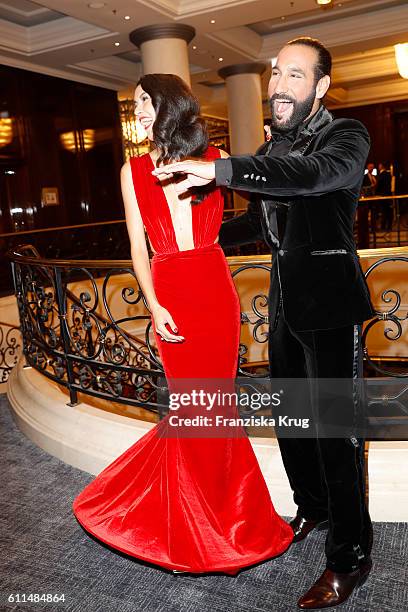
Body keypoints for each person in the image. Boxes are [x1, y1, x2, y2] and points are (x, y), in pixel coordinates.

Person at [153, 38, 375, 608]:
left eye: (295, 75)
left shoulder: (345, 137)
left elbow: (308, 176)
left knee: (336, 434)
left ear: (320, 88)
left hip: (330, 305)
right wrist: (191, 241)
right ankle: (315, 510)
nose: (278, 84)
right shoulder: (270, 145)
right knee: (294, 423)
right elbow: (257, 223)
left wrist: (223, 169)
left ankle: (350, 557)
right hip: (281, 307)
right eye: (276, 72)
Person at [72, 73, 293, 575]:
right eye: (134, 104)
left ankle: (229, 517)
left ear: (168, 103)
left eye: (146, 101)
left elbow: (267, 196)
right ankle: (196, 526)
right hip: (170, 288)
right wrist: (153, 304)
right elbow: (137, 246)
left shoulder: (213, 160)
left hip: (214, 289)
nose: (139, 111)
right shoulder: (133, 170)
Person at [376, 162, 393, 231]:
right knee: (389, 211)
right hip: (389, 194)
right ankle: (389, 226)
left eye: (379, 165)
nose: (378, 167)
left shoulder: (381, 175)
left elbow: (379, 185)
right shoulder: (389, 174)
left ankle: (383, 226)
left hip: (382, 195)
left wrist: (376, 192)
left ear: (381, 166)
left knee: (384, 211)